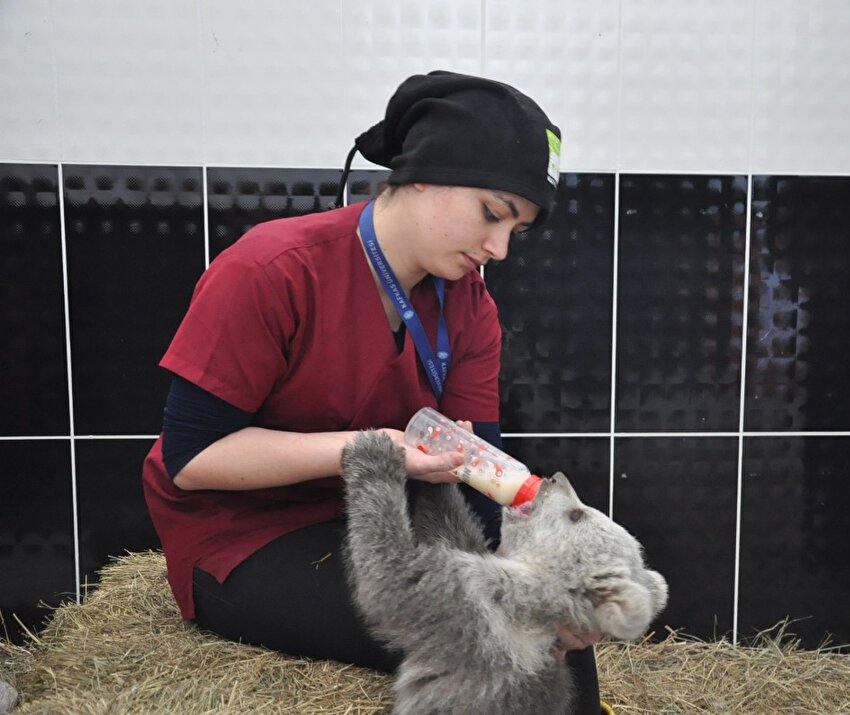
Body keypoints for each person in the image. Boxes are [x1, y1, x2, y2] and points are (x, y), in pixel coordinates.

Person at [142, 70, 605, 714]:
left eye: (516, 231)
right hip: (245, 535)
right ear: (421, 174)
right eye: (492, 214)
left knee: (543, 620)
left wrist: (539, 569)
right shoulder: (271, 270)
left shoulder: (469, 306)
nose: (498, 248)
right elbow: (191, 462)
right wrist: (371, 452)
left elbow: (486, 476)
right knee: (486, 630)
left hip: (379, 521)